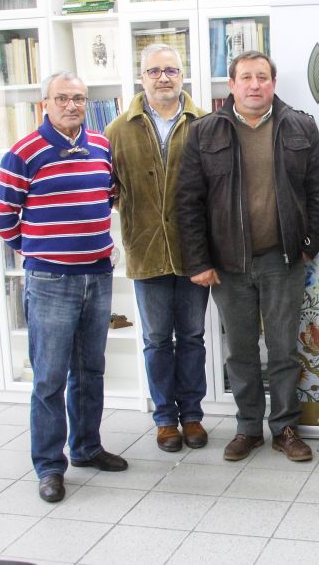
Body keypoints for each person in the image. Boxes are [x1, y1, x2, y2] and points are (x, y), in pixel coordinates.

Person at [176, 51, 319, 463]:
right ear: (231, 85)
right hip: (228, 265)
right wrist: (199, 261)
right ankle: (248, 428)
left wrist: (309, 244)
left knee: (283, 350)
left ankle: (285, 428)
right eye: (245, 77)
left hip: (283, 260)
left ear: (273, 83)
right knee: (241, 352)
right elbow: (188, 202)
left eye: (262, 77)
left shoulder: (299, 126)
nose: (254, 84)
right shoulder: (204, 132)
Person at [0, 72, 128, 503]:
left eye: (79, 98)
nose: (72, 105)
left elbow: (107, 197)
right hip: (50, 281)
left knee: (90, 371)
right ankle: (50, 466)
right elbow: (3, 220)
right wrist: (40, 251)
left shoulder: (101, 146)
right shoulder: (23, 153)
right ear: (45, 103)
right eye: (63, 98)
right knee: (49, 378)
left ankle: (87, 447)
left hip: (97, 275)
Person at [105, 44, 209, 453]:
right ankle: (165, 419)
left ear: (182, 75)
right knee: (156, 340)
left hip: (194, 252)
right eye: (154, 71)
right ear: (141, 77)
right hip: (146, 251)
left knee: (193, 337)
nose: (163, 77)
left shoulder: (205, 123)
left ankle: (193, 415)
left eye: (171, 70)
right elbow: (110, 189)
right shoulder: (118, 129)